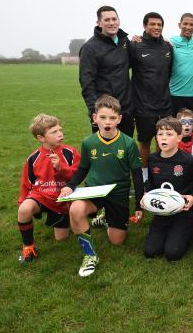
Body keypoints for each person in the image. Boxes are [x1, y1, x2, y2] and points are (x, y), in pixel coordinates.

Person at [59, 95, 144, 277]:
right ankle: (90, 255)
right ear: (94, 117)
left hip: (117, 194)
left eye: (112, 118)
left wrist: (138, 203)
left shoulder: (128, 143)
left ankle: (105, 217)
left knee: (117, 241)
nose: (107, 122)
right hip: (94, 190)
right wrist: (70, 185)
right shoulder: (88, 142)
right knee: (75, 210)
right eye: (103, 117)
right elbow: (83, 168)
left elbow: (136, 174)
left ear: (119, 119)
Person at [17, 114, 80, 263]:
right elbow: (26, 184)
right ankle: (28, 246)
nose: (60, 134)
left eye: (60, 130)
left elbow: (77, 176)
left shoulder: (70, 152)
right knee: (24, 209)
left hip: (62, 199)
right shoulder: (33, 158)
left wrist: (60, 167)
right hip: (41, 196)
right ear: (41, 138)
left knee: (61, 238)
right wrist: (22, 203)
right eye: (54, 132)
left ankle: (65, 219)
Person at [142, 117, 193, 261]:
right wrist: (146, 194)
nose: (163, 138)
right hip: (163, 210)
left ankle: (191, 228)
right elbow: (151, 183)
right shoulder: (153, 159)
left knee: (173, 253)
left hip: (184, 212)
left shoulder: (188, 161)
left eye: (169, 134)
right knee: (151, 251)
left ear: (179, 137)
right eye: (160, 134)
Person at [79, 5, 134, 136]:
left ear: (119, 21)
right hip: (105, 113)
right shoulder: (89, 48)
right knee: (104, 153)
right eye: (107, 20)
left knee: (125, 152)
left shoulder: (124, 42)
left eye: (114, 19)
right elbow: (87, 82)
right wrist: (95, 112)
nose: (111, 23)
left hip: (126, 110)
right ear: (99, 23)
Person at [130, 12, 173, 177]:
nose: (156, 27)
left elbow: (168, 72)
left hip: (165, 104)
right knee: (145, 142)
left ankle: (159, 173)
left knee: (163, 140)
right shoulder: (135, 46)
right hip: (143, 105)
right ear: (144, 26)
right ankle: (145, 176)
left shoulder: (167, 47)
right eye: (152, 24)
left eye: (159, 25)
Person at [169, 13, 193, 120]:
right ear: (179, 25)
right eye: (185, 24)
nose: (188, 27)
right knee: (175, 131)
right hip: (174, 95)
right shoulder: (170, 41)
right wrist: (139, 38)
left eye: (191, 25)